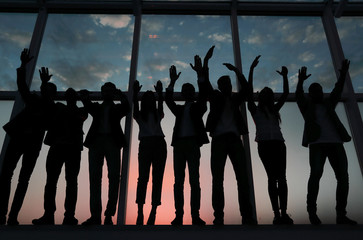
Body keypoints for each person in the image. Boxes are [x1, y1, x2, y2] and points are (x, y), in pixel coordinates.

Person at [226, 56, 293, 225]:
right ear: (260, 97)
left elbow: (285, 94)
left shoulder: (274, 110)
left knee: (282, 178)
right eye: (263, 94)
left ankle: (283, 213)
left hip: (278, 143)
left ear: (269, 98)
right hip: (265, 145)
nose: (265, 95)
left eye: (267, 94)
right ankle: (277, 214)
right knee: (272, 178)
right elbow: (248, 92)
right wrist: (250, 69)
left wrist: (285, 77)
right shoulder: (254, 110)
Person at [296, 60, 357, 225]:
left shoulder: (329, 104)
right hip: (317, 144)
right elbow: (299, 96)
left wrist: (343, 74)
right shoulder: (307, 107)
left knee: (343, 177)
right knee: (315, 175)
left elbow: (337, 90)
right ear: (310, 93)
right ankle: (312, 213)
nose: (319, 92)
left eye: (320, 90)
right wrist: (300, 81)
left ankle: (341, 214)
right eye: (315, 90)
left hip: (336, 142)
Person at [0, 49, 57, 225]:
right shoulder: (36, 101)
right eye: (43, 88)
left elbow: (24, 89)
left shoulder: (49, 107)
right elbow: (22, 86)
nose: (42, 90)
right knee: (8, 176)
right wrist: (23, 66)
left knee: (21, 179)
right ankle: (4, 214)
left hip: (31, 144)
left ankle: (12, 216)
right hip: (21, 141)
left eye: (46, 89)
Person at [204, 52, 256, 226]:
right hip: (219, 140)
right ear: (219, 86)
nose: (227, 86)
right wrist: (205, 63)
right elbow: (205, 86)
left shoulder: (235, 99)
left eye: (228, 83)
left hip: (234, 140)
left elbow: (247, 91)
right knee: (217, 179)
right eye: (224, 84)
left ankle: (247, 216)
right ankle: (218, 216)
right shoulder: (216, 98)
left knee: (242, 178)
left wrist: (237, 71)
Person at [165, 47, 213, 226]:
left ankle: (195, 215)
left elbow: (203, 98)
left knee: (194, 181)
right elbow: (168, 101)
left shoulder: (197, 107)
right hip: (179, 146)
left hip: (192, 145)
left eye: (188, 89)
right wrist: (172, 83)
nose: (186, 92)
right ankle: (179, 215)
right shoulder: (179, 110)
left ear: (192, 93)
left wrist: (200, 75)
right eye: (184, 90)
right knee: (178, 181)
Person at [32, 88, 88, 225]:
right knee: (53, 182)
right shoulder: (60, 108)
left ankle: (67, 215)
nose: (69, 97)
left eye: (71, 95)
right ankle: (50, 214)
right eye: (68, 95)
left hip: (70, 148)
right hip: (59, 147)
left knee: (68, 182)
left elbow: (82, 116)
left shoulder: (77, 111)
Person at [79, 82, 130, 225]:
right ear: (101, 93)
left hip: (112, 142)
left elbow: (126, 108)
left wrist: (122, 96)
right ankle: (95, 216)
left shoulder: (117, 108)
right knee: (95, 178)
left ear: (113, 93)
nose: (107, 93)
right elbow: (87, 104)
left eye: (110, 91)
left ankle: (109, 214)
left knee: (114, 177)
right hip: (97, 142)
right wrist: (84, 96)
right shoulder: (96, 107)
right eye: (105, 91)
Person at [133, 80, 167, 225]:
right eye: (147, 99)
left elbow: (161, 106)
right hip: (146, 144)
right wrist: (134, 95)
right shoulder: (140, 115)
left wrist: (159, 94)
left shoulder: (157, 114)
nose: (149, 101)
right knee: (143, 178)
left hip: (158, 143)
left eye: (151, 99)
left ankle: (153, 211)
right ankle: (140, 211)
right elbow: (135, 108)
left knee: (157, 178)